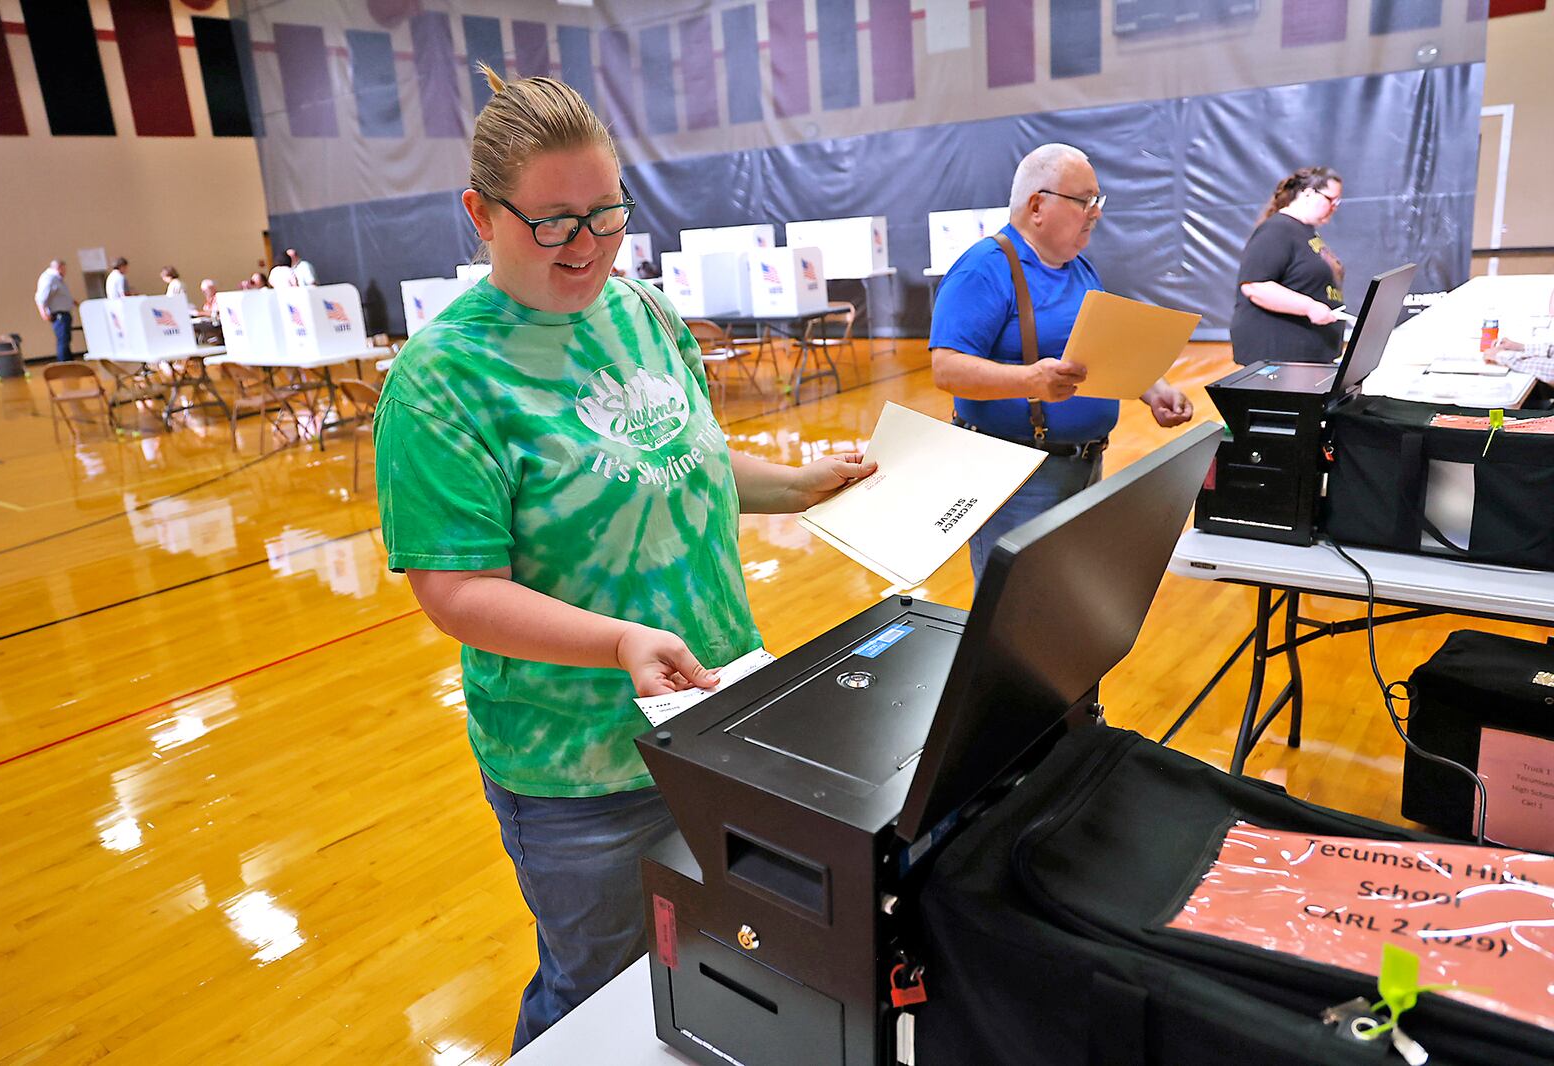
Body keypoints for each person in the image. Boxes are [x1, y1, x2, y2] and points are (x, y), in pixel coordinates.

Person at [372, 67, 873, 1050]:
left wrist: (800, 480)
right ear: (480, 212)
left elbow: (688, 459)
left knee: (719, 965)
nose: (588, 246)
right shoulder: (444, 379)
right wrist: (618, 643)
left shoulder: (641, 312)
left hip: (721, 710)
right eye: (554, 222)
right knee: (592, 1000)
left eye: (607, 215)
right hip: (578, 768)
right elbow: (459, 591)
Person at [929, 142, 1194, 580]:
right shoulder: (985, 268)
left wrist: (1154, 387)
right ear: (1037, 205)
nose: (1096, 212)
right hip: (1016, 479)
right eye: (1085, 200)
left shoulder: (1080, 269)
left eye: (1098, 200)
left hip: (1084, 469)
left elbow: (1102, 351)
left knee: (1063, 609)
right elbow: (947, 368)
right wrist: (1029, 381)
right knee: (1014, 620)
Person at [1231, 166, 1346, 364]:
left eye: (1338, 201)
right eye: (1330, 199)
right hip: (1279, 356)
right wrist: (1309, 307)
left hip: (1309, 354)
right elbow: (1255, 286)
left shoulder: (1305, 232)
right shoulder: (1277, 230)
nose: (1334, 207)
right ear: (1309, 193)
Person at [34, 258, 75, 362]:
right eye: (64, 269)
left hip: (64, 313)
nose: (65, 272)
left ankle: (69, 362)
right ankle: (64, 364)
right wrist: (43, 312)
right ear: (59, 267)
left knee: (66, 339)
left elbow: (60, 295)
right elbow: (41, 297)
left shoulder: (57, 279)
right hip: (59, 315)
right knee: (63, 340)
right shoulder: (49, 278)